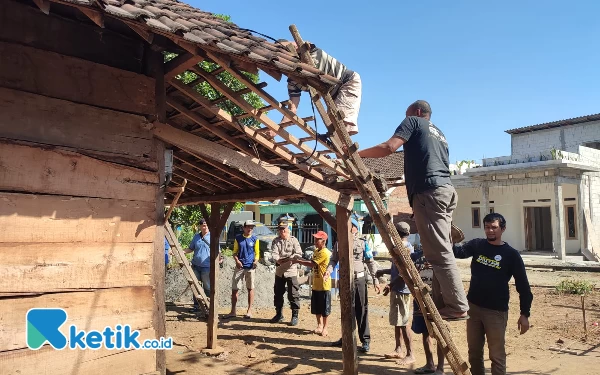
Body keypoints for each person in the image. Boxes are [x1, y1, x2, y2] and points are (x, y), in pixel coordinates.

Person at [357, 100, 469, 321]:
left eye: (406, 114)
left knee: (439, 253)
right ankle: (445, 302)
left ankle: (457, 305)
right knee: (439, 250)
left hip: (429, 192)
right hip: (446, 190)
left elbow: (389, 147)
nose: (404, 117)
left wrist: (358, 154)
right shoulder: (440, 134)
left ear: (417, 113)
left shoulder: (413, 121)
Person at [452, 213, 533, 375]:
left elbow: (523, 286)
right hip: (473, 308)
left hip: (496, 312)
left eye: (494, 227)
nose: (490, 231)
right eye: (487, 227)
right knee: (474, 353)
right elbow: (457, 253)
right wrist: (448, 236)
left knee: (496, 356)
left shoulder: (511, 255)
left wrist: (525, 314)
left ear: (502, 229)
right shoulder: (477, 245)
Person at [275, 39, 362, 136]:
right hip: (332, 95)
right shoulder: (292, 82)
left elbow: (302, 44)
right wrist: (276, 131)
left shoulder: (308, 53)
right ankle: (342, 143)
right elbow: (292, 109)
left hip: (346, 81)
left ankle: (345, 143)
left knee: (341, 120)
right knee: (335, 122)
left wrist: (282, 46)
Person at [328, 219, 380, 353]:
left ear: (355, 229)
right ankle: (346, 338)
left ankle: (365, 340)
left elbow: (370, 261)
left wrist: (376, 279)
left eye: (348, 226)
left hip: (359, 280)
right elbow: (334, 259)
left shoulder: (363, 243)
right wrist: (328, 271)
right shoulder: (339, 243)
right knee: (345, 310)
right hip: (345, 281)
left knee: (361, 310)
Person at [375, 222, 417, 364]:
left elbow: (404, 272)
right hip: (397, 288)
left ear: (396, 233)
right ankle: (399, 349)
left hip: (402, 289)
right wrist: (384, 271)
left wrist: (390, 284)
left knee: (404, 322)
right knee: (397, 321)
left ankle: (410, 354)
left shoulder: (405, 249)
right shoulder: (401, 248)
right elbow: (397, 269)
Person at [412, 251, 446, 375]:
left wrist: (437, 269)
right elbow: (409, 275)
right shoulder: (415, 256)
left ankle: (440, 368)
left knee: (440, 333)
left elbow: (449, 275)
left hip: (438, 300)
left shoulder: (442, 255)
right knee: (425, 331)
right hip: (420, 299)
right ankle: (429, 364)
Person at [293, 231, 332, 336]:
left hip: (324, 285)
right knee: (317, 307)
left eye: (317, 239)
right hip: (316, 284)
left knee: (325, 308)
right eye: (315, 239)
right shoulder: (316, 251)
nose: (315, 241)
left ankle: (325, 327)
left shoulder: (325, 252)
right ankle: (319, 325)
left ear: (323, 241)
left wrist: (298, 261)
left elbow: (312, 264)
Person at [270, 222, 303, 326]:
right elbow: (274, 254)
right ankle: (279, 314)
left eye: (284, 229)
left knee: (293, 294)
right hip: (280, 271)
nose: (282, 231)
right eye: (280, 229)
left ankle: (295, 315)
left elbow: (299, 253)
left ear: (288, 229)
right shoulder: (276, 241)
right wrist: (277, 259)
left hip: (291, 270)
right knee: (278, 293)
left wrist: (292, 257)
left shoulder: (294, 240)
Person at [225, 220, 260, 319]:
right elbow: (235, 252)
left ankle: (249, 310)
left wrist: (255, 261)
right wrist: (237, 261)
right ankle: (233, 311)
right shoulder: (238, 238)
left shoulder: (255, 239)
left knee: (250, 288)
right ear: (243, 228)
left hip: (250, 267)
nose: (250, 229)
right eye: (248, 227)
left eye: (251, 227)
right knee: (235, 289)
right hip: (239, 267)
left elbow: (257, 253)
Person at [184, 218, 211, 313]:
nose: (205, 227)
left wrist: (220, 258)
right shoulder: (196, 237)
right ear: (200, 226)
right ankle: (197, 306)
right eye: (203, 225)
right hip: (196, 266)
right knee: (195, 286)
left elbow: (218, 251)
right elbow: (190, 249)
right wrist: (182, 251)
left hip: (207, 267)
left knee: (207, 287)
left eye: (206, 225)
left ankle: (208, 305)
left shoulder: (213, 236)